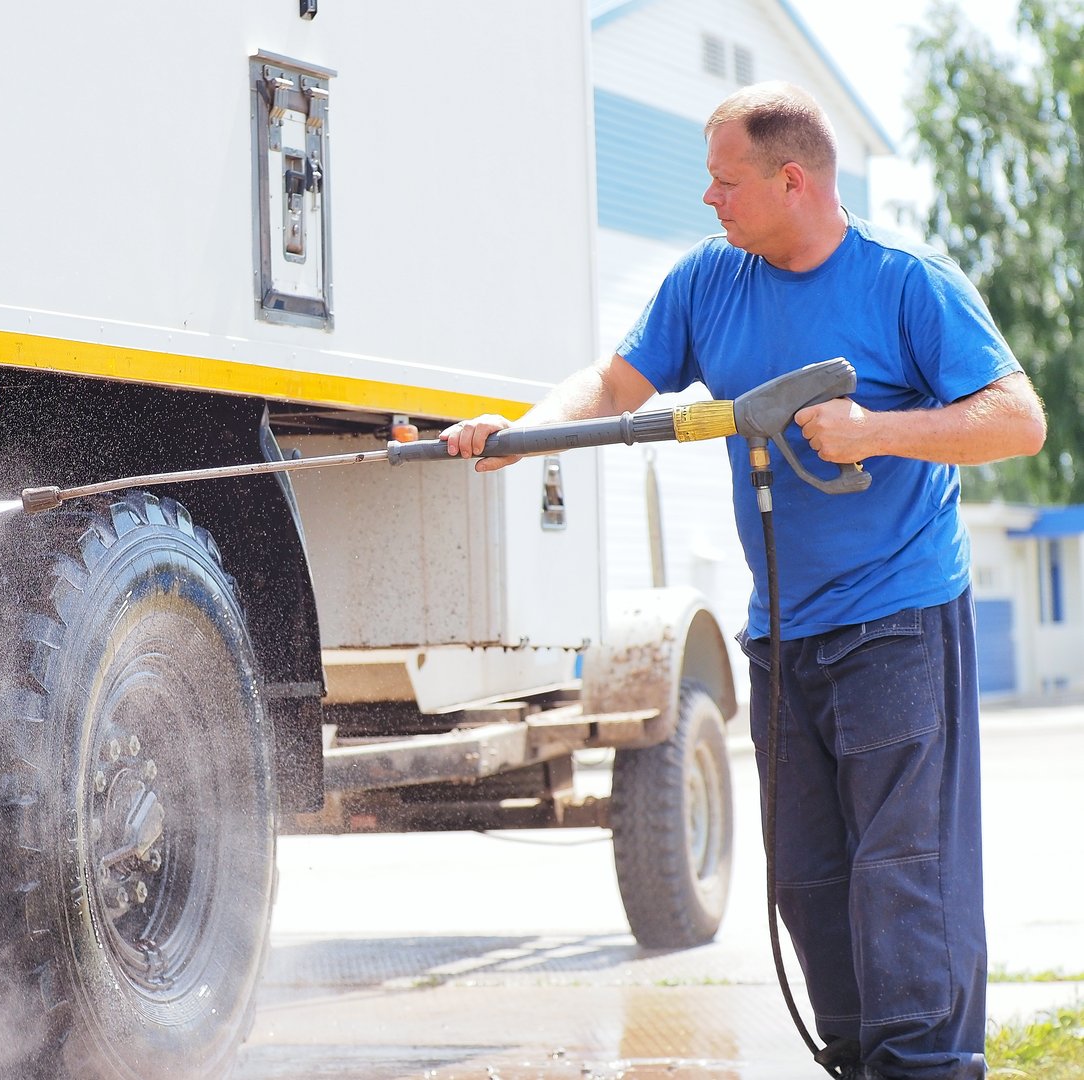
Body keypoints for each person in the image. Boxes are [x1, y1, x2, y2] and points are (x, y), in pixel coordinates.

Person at [442, 82, 1046, 1080]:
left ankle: (928, 1067)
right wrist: (524, 433)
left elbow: (1018, 420)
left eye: (726, 181)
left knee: (906, 874)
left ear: (791, 179)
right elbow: (614, 385)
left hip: (899, 621)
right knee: (808, 878)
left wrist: (875, 430)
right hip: (784, 633)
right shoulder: (708, 284)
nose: (711, 199)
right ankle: (860, 1060)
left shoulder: (905, 284)